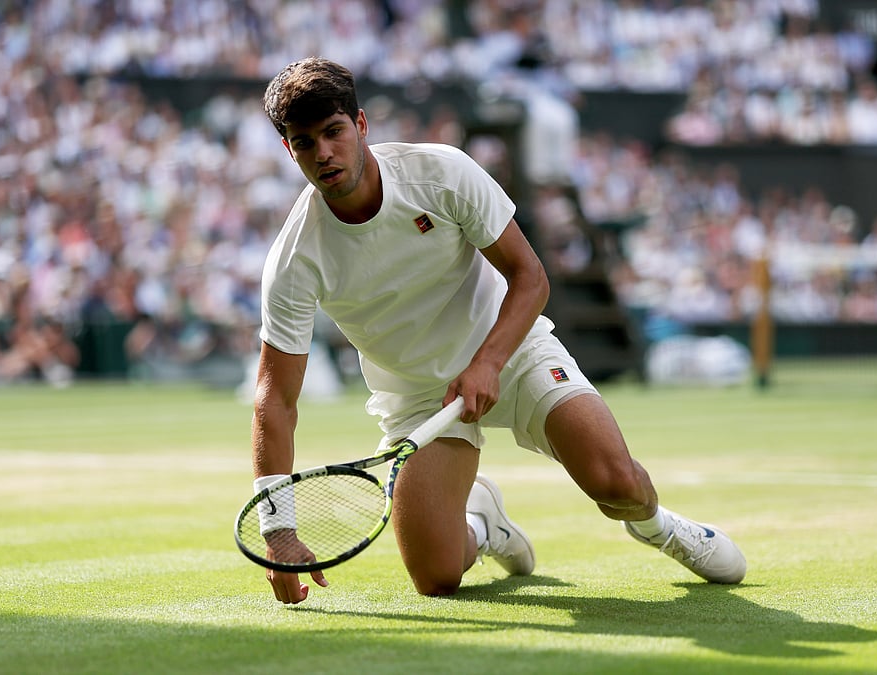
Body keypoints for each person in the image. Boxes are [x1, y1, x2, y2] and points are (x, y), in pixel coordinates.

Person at [250, 58, 746, 605]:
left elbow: (531, 278)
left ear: (361, 125)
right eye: (303, 142)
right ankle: (486, 524)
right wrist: (278, 529)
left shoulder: (440, 173)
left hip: (512, 350)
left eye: (333, 132)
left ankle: (660, 527)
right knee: (437, 577)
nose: (322, 153)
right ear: (287, 150)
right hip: (420, 397)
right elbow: (276, 399)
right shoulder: (294, 259)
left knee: (616, 484)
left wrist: (487, 361)